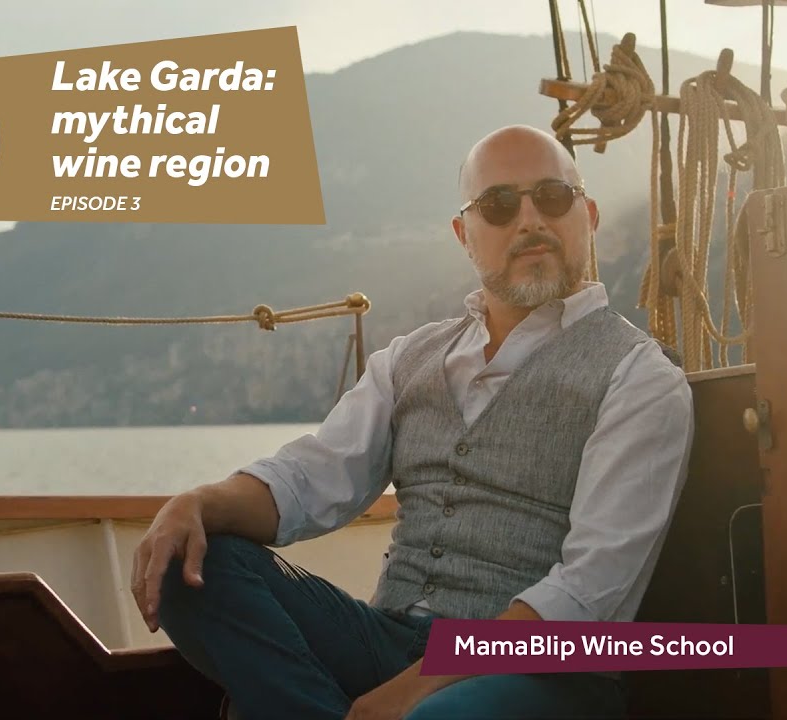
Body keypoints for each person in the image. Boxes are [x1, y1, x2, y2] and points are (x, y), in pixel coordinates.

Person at [131, 125, 694, 720]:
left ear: (589, 215)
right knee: (188, 566)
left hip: (541, 673)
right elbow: (307, 481)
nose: (530, 220)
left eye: (553, 197)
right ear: (464, 234)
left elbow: (590, 589)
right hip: (390, 638)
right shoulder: (409, 360)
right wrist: (195, 504)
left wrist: (408, 692)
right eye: (499, 205)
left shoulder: (639, 376)